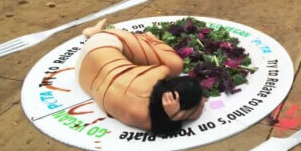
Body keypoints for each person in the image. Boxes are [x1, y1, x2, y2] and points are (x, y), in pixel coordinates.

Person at [77, 19, 207, 135]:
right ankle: (147, 38)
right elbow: (165, 126)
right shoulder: (142, 116)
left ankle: (144, 39)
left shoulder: (153, 77)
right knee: (175, 65)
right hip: (84, 71)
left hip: (100, 46)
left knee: (174, 65)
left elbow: (166, 69)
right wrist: (174, 115)